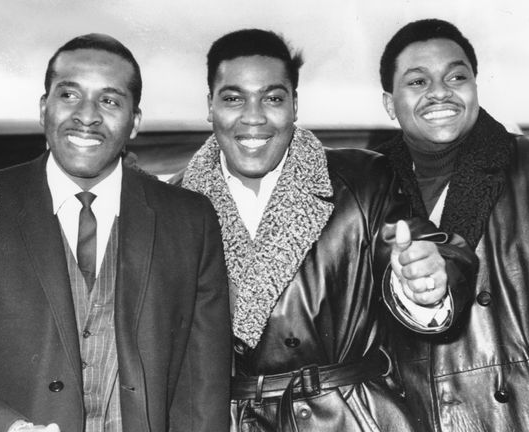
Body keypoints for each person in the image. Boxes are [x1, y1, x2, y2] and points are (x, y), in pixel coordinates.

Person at [178, 29, 477, 431]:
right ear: (209, 106)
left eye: (273, 98)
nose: (253, 117)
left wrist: (425, 284)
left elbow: (421, 248)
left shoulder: (361, 180)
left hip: (351, 417)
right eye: (233, 98)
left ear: (295, 106)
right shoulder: (176, 204)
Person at [0, 33, 231, 432]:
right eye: (69, 95)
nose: (86, 115)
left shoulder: (190, 220)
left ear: (135, 122)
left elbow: (204, 387)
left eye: (109, 100)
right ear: (43, 108)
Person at [376, 18, 529, 432]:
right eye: (417, 81)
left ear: (475, 87)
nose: (440, 91)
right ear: (389, 103)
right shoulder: (369, 188)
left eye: (457, 76)